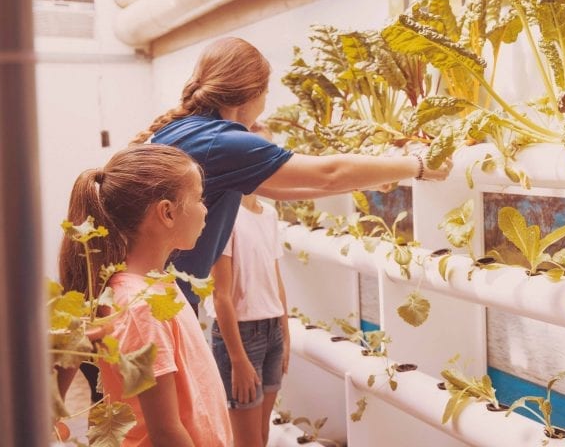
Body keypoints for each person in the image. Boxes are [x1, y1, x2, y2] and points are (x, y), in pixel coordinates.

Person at [131, 36, 452, 310]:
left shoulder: (192, 130)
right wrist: (419, 165)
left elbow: (280, 188)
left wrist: (370, 180)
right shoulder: (221, 142)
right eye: (266, 93)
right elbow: (329, 171)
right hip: (155, 305)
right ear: (251, 94)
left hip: (146, 295)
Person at [57, 144, 232, 446]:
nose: (205, 209)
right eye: (199, 198)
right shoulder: (140, 308)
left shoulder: (155, 287)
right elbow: (165, 432)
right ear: (166, 212)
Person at [206, 191, 288, 447]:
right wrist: (237, 359)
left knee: (262, 436)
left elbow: (276, 281)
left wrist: (285, 335)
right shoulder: (225, 215)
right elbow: (221, 296)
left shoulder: (270, 214)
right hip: (240, 335)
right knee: (248, 442)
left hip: (273, 329)